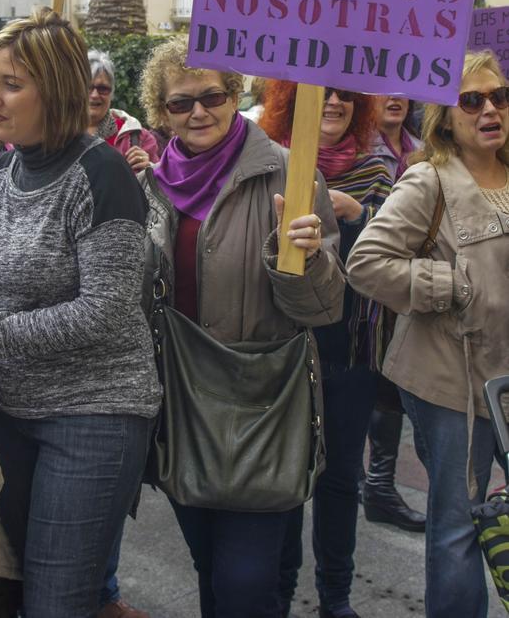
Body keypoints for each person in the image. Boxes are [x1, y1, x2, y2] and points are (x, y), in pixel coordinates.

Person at [0, 8, 161, 618]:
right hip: (7, 415)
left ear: (55, 90)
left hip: (94, 415)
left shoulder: (101, 174)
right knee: (17, 587)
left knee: (57, 601)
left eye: (10, 83)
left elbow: (102, 312)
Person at [138, 37, 345, 618]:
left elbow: (325, 310)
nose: (199, 112)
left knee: (243, 584)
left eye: (213, 96)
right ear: (162, 111)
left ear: (236, 96)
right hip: (180, 401)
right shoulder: (151, 187)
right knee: (210, 567)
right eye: (181, 103)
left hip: (262, 402)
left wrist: (303, 258)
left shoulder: (288, 172)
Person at [347, 50, 509, 618]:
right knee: (460, 524)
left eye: (498, 97)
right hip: (450, 384)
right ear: (444, 116)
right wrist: (447, 283)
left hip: (506, 378)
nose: (490, 109)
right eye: (472, 100)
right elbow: (365, 263)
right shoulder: (428, 180)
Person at [260, 82, 392, 618]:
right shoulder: (269, 165)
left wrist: (357, 215)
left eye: (346, 95)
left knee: (340, 479)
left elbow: (390, 259)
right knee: (287, 480)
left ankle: (335, 597)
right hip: (287, 346)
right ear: (293, 98)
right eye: (323, 93)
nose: (333, 102)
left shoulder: (378, 171)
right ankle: (280, 594)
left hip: (349, 349)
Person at [361, 97, 425, 532]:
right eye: (385, 89)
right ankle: (363, 481)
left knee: (390, 388)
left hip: (407, 294)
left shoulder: (423, 148)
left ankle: (379, 484)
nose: (395, 97)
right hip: (366, 291)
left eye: (404, 89)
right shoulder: (360, 149)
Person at [88, 50, 159, 173]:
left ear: (112, 93)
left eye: (103, 88)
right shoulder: (56, 135)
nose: (94, 95)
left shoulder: (139, 139)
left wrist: (149, 169)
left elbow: (160, 187)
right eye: (87, 87)